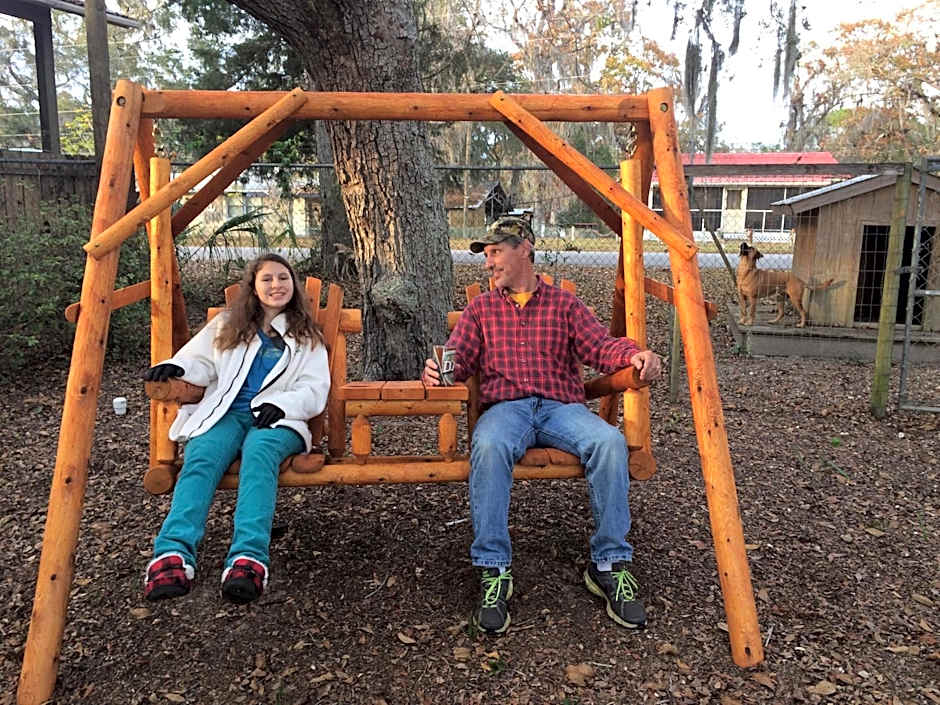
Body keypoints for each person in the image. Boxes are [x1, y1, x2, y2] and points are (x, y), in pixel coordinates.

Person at [422, 214, 661, 634]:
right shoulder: (480, 309)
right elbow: (458, 358)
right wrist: (438, 372)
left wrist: (633, 355)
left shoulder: (564, 305)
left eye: (496, 252)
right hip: (506, 409)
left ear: (524, 250)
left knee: (608, 442)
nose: (488, 262)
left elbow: (600, 346)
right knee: (490, 445)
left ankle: (608, 563)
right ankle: (494, 569)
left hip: (559, 408)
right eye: (487, 254)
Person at [142, 254, 330, 605]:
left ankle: (248, 558)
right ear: (254, 288)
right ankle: (173, 554)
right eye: (267, 279)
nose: (276, 285)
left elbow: (315, 388)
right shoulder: (230, 326)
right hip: (226, 413)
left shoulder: (306, 336)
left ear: (294, 285)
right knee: (202, 456)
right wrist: (172, 367)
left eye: (283, 278)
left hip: (279, 419)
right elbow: (197, 360)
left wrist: (285, 406)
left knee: (259, 456)